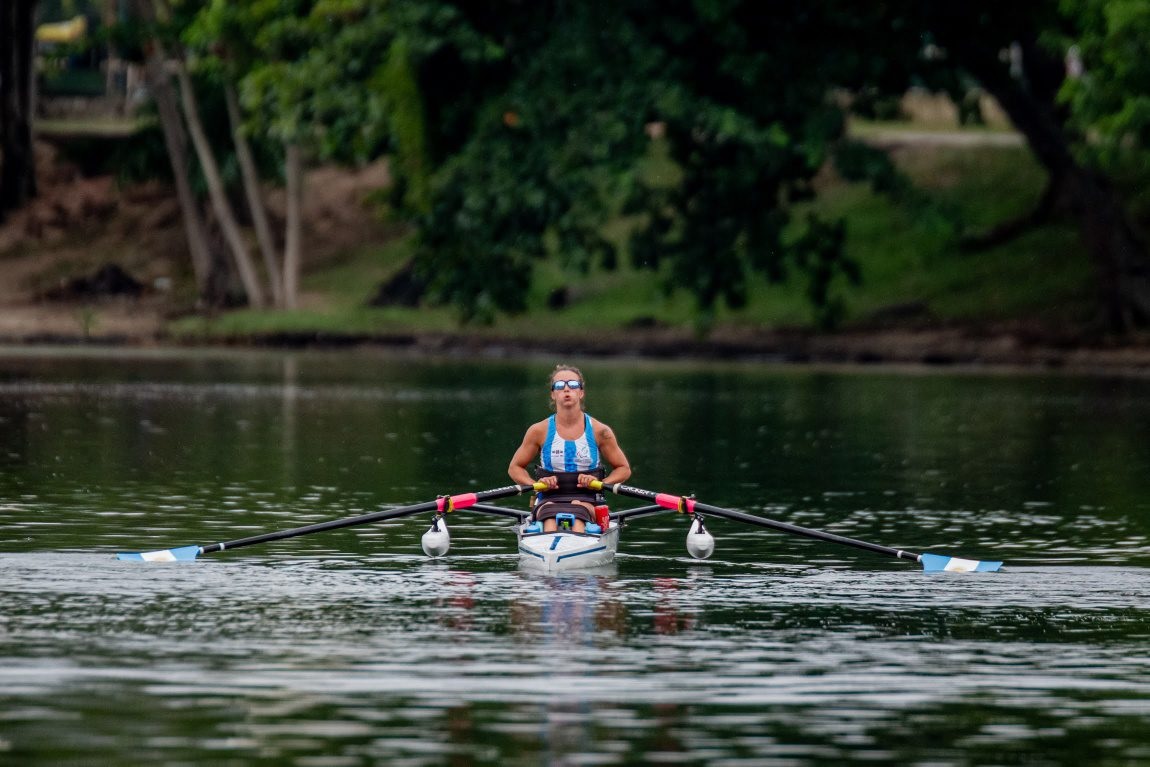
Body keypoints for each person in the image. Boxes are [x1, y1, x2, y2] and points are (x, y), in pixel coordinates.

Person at [508, 364, 632, 533]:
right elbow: (514, 468)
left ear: (581, 392)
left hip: (587, 500)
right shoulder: (538, 431)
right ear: (553, 394)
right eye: (559, 385)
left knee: (577, 508)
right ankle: (553, 545)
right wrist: (536, 484)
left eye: (573, 384)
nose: (566, 389)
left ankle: (563, 543)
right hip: (548, 499)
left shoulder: (600, 431)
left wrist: (602, 484)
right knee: (551, 515)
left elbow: (623, 469)